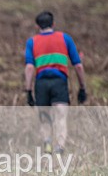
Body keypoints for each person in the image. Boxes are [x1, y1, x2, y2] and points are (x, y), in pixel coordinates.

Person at [24, 11, 87, 155]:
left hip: (41, 83)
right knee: (61, 116)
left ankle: (47, 143)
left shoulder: (32, 42)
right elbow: (78, 65)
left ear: (37, 26)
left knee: (44, 116)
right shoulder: (65, 38)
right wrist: (82, 87)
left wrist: (28, 91)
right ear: (53, 24)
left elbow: (29, 67)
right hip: (59, 82)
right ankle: (59, 147)